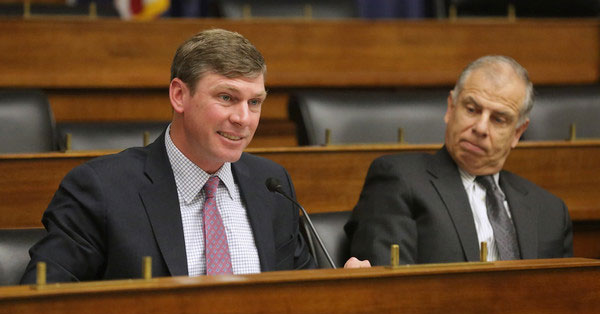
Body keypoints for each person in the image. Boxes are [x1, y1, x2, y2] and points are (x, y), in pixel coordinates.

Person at [21, 29, 368, 283]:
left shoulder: (271, 186)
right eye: (227, 98)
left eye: (255, 102)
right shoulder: (101, 190)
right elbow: (44, 303)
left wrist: (340, 291)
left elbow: (299, 297)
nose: (243, 119)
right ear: (179, 96)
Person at [345, 55, 573, 266]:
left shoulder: (550, 212)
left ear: (517, 132)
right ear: (451, 108)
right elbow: (391, 289)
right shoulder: (398, 180)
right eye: (472, 109)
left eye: (499, 119)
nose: (481, 128)